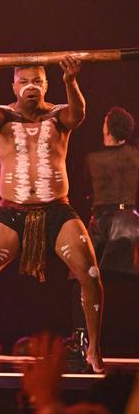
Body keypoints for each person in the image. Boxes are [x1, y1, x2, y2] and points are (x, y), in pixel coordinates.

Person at [0, 56, 104, 373]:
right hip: (12, 214)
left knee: (92, 274)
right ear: (13, 86)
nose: (32, 87)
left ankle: (94, 351)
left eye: (38, 81)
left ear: (46, 85)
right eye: (25, 81)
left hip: (57, 211)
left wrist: (71, 81)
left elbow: (79, 114)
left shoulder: (58, 115)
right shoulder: (3, 116)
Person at [68, 107, 139, 360]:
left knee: (81, 275)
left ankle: (81, 338)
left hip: (102, 221)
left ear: (106, 128)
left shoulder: (92, 160)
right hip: (131, 220)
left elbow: (84, 190)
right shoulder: (136, 156)